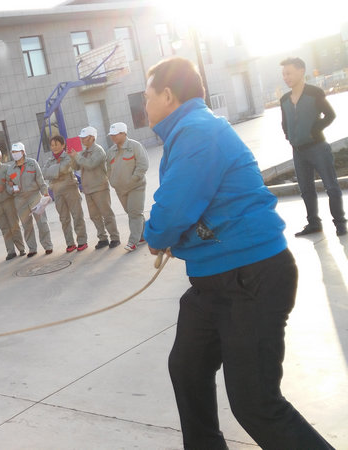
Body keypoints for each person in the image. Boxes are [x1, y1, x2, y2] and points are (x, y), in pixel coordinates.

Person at [143, 57, 334, 449]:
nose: (143, 106)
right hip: (213, 279)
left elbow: (173, 210)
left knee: (254, 403)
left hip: (252, 276)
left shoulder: (198, 132)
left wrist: (155, 234)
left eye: (146, 97)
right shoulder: (187, 132)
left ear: (167, 94)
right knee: (188, 368)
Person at [279, 57, 345, 236]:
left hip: (318, 148)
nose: (286, 77)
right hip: (298, 152)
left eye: (289, 73)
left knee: (331, 187)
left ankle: (340, 223)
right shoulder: (284, 99)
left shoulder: (314, 92)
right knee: (306, 190)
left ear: (301, 71)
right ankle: (314, 224)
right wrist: (289, 136)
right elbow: (284, 123)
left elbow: (330, 115)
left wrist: (314, 130)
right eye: (284, 74)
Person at [106, 122, 148, 252]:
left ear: (124, 133)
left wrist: (134, 179)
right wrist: (112, 181)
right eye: (111, 135)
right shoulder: (111, 151)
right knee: (133, 212)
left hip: (136, 187)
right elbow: (108, 169)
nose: (113, 137)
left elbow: (143, 165)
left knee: (134, 214)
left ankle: (132, 242)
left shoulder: (135, 146)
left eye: (115, 134)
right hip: (120, 189)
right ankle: (144, 235)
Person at [6, 142, 52, 257]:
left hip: (34, 196)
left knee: (42, 222)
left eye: (17, 152)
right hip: (20, 199)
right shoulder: (10, 169)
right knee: (26, 225)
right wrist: (12, 189)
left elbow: (40, 180)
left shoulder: (32, 164)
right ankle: (32, 248)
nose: (15, 154)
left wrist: (45, 193)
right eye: (13, 152)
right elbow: (8, 186)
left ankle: (48, 245)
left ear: (23, 152)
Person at [42, 135, 87, 252]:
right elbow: (45, 173)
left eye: (56, 144)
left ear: (63, 145)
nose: (54, 147)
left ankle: (82, 241)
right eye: (52, 145)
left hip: (70, 189)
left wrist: (54, 171)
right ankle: (70, 243)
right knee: (64, 218)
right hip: (57, 192)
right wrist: (57, 170)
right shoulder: (49, 160)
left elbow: (64, 168)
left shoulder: (68, 156)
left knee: (77, 215)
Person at [77, 126, 120, 249]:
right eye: (82, 138)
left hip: (99, 187)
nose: (82, 140)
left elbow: (90, 164)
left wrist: (77, 157)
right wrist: (73, 157)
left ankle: (115, 237)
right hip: (88, 188)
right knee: (94, 216)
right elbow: (76, 166)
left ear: (92, 138)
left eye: (84, 138)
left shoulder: (98, 151)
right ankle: (102, 238)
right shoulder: (83, 152)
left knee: (106, 214)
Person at [0, 147, 26, 260]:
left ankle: (21, 248)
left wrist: (9, 185)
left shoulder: (7, 168)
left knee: (14, 225)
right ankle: (10, 251)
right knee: (4, 228)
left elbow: (13, 181)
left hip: (8, 201)